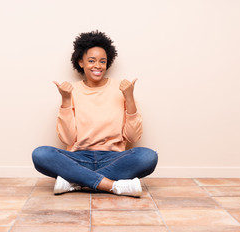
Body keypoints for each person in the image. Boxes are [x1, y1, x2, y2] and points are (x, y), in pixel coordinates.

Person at [32, 31, 158, 197]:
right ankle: (111, 185)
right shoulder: (71, 90)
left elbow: (133, 138)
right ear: (80, 62)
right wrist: (65, 100)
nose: (97, 65)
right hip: (78, 158)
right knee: (40, 154)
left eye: (102, 61)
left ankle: (77, 182)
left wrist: (129, 98)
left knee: (147, 156)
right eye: (91, 61)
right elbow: (68, 139)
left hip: (114, 158)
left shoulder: (122, 88)